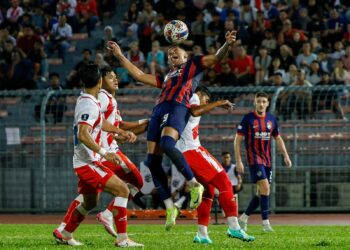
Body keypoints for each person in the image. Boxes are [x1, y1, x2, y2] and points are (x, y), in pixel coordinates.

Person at [106, 30, 237, 230]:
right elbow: (139, 75)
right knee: (152, 162)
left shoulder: (192, 66)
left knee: (167, 144)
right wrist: (119, 55)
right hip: (159, 109)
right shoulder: (167, 77)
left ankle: (194, 184)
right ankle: (170, 207)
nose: (172, 53)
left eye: (177, 51)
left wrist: (227, 44)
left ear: (186, 57)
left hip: (178, 106)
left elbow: (216, 58)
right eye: (169, 53)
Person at [52, 64, 143, 247]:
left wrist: (120, 131)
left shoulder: (88, 100)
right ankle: (122, 239)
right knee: (123, 190)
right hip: (88, 163)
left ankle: (65, 233)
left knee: (90, 202)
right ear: (100, 81)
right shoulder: (90, 103)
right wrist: (105, 153)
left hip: (86, 161)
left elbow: (100, 123)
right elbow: (83, 134)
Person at [176, 86, 255, 244]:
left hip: (185, 151)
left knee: (209, 190)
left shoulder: (187, 99)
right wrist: (218, 103)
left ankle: (202, 234)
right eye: (207, 100)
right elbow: (195, 111)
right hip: (192, 150)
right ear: (204, 96)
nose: (207, 103)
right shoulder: (194, 98)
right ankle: (233, 226)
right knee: (224, 181)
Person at [234, 92, 292, 232]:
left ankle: (243, 218)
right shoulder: (248, 119)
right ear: (255, 102)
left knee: (262, 192)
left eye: (264, 101)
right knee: (265, 188)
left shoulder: (271, 119)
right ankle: (265, 223)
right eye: (259, 101)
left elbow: (278, 138)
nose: (261, 104)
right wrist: (239, 160)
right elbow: (237, 140)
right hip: (254, 160)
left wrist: (285, 155)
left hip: (267, 161)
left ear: (267, 103)